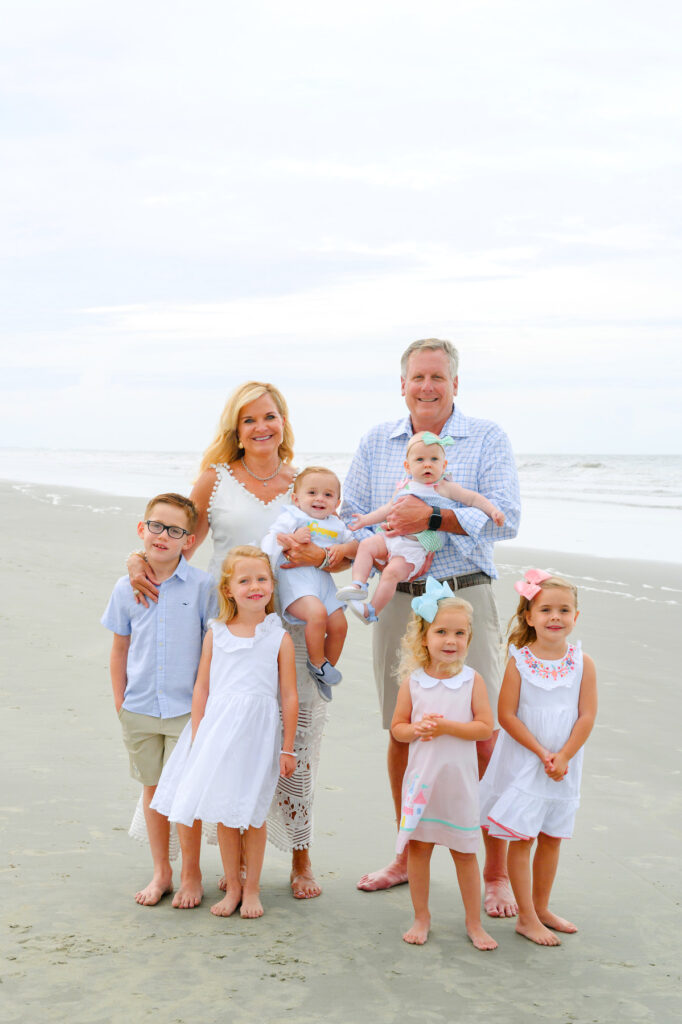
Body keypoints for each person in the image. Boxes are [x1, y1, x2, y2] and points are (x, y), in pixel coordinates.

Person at [127, 381, 335, 899]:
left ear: (283, 421)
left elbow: (340, 545)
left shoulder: (305, 484)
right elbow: (178, 545)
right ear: (235, 431)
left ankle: (301, 860)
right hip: (224, 631)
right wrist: (137, 560)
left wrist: (325, 561)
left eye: (270, 416)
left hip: (291, 629)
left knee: (295, 746)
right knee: (222, 741)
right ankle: (229, 863)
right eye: (248, 420)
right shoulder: (214, 480)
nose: (261, 427)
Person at [341, 338, 521, 916]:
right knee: (402, 729)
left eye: (437, 377)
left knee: (485, 734)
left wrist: (436, 515)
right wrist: (316, 551)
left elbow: (506, 518)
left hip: (463, 596)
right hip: (399, 601)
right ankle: (405, 853)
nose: (426, 387)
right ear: (402, 384)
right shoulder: (377, 442)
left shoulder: (486, 438)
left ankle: (493, 872)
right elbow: (351, 518)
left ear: (455, 383)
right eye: (417, 377)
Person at [151, 546, 298, 918]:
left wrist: (288, 747)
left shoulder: (278, 638)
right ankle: (232, 888)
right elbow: (202, 687)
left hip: (258, 735)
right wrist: (198, 735)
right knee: (225, 814)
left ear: (271, 585)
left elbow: (289, 697)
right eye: (245, 580)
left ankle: (252, 890)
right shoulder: (217, 633)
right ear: (229, 589)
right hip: (216, 731)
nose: (255, 586)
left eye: (262, 579)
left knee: (252, 814)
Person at [101, 493, 216, 907]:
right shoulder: (125, 587)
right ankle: (161, 872)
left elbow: (211, 649)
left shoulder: (203, 586)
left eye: (175, 530)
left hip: (187, 710)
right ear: (141, 530)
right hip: (140, 708)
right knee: (152, 791)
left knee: (184, 793)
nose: (163, 536)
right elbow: (119, 649)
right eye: (156, 526)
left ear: (189, 539)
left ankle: (191, 874)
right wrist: (121, 703)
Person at [479, 570, 597, 945]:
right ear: (529, 616)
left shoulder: (583, 663)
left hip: (564, 764)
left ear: (576, 617)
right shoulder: (520, 660)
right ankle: (526, 917)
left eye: (564, 609)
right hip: (527, 760)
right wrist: (542, 752)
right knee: (523, 836)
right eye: (546, 609)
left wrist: (563, 756)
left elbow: (587, 716)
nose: (555, 617)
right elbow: (507, 716)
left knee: (552, 836)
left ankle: (542, 907)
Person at [391, 580, 497, 949]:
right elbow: (398, 729)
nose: (450, 640)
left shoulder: (472, 681)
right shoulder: (414, 683)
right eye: (441, 632)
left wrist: (448, 726)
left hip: (460, 787)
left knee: (465, 852)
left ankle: (474, 922)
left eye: (459, 633)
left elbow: (484, 726)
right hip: (422, 784)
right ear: (424, 637)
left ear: (469, 639)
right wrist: (416, 729)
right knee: (419, 850)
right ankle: (421, 916)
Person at [337, 430, 505, 623]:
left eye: (434, 459)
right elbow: (388, 508)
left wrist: (493, 511)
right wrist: (366, 520)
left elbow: (473, 498)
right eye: (420, 459)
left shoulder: (444, 486)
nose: (427, 464)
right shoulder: (405, 485)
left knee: (391, 574)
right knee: (366, 545)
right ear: (407, 466)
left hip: (414, 547)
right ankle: (358, 585)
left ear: (444, 465)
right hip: (391, 537)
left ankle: (371, 611)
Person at [260, 466, 358, 700]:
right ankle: (316, 662)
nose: (319, 499)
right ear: (296, 498)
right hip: (297, 583)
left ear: (337, 503)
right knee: (317, 614)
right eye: (312, 492)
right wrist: (291, 539)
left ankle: (324, 670)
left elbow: (357, 547)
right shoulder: (293, 517)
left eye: (327, 495)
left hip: (323, 584)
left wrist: (343, 548)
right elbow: (271, 541)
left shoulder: (337, 525)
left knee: (340, 625)